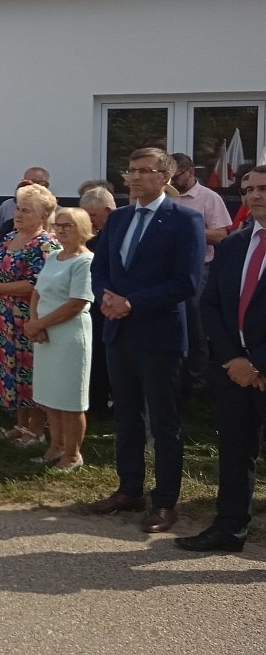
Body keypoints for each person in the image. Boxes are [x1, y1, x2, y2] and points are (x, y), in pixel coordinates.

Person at [90, 147, 205, 533]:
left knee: (164, 421)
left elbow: (187, 282)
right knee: (126, 416)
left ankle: (165, 501)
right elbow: (101, 266)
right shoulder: (119, 218)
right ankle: (129, 489)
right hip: (117, 331)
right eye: (131, 170)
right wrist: (106, 296)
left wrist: (132, 303)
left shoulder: (184, 220)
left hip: (159, 336)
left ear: (165, 177)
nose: (136, 177)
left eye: (145, 171)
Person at [178, 164, 266, 553]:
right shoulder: (233, 244)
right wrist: (234, 359)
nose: (255, 196)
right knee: (233, 451)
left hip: (260, 368)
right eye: (249, 190)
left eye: (264, 188)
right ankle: (229, 530)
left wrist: (258, 363)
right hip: (233, 370)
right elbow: (211, 306)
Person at [0, 183, 60, 443]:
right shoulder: (8, 238)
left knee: (31, 372)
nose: (19, 214)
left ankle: (36, 430)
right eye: (18, 208)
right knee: (12, 371)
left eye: (26, 210)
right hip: (2, 316)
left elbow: (40, 282)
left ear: (43, 216)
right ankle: (20, 424)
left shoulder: (46, 244)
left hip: (28, 316)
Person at [26, 208, 95, 470]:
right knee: (49, 394)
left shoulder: (86, 261)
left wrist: (41, 323)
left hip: (69, 335)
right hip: (45, 334)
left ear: (83, 228)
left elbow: (76, 303)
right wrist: (34, 323)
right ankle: (55, 446)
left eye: (69, 225)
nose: (63, 229)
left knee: (70, 398)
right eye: (59, 225)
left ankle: (73, 454)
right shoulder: (54, 256)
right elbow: (37, 292)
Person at [170, 152, 232, 394]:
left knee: (195, 322)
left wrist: (189, 228)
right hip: (168, 268)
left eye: (177, 177)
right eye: (169, 178)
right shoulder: (164, 196)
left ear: (191, 172)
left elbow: (221, 235)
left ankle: (196, 382)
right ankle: (174, 376)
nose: (173, 183)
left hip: (199, 267)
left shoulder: (209, 198)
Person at [80, 185, 117, 416]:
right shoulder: (95, 235)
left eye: (93, 216)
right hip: (95, 303)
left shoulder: (121, 232)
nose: (90, 222)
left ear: (108, 210)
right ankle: (97, 402)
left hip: (118, 304)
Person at [0, 166, 52, 249]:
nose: (31, 186)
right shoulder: (7, 206)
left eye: (26, 211)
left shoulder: (57, 211)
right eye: (17, 209)